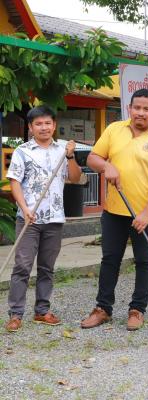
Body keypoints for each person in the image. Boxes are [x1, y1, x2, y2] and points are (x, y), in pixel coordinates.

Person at [81, 89, 148, 330]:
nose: (141, 113)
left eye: (146, 109)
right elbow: (92, 158)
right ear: (129, 108)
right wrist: (106, 166)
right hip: (114, 211)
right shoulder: (114, 130)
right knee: (110, 260)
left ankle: (137, 310)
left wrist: (147, 213)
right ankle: (103, 308)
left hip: (144, 214)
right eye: (137, 108)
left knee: (144, 262)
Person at [5, 105, 81, 332]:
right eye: (38, 124)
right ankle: (16, 314)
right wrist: (24, 208)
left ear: (54, 125)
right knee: (22, 266)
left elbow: (75, 177)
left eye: (48, 123)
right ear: (30, 127)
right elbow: (14, 182)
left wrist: (71, 156)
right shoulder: (23, 152)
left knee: (47, 267)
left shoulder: (62, 150)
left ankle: (42, 311)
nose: (44, 127)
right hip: (29, 219)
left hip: (54, 219)